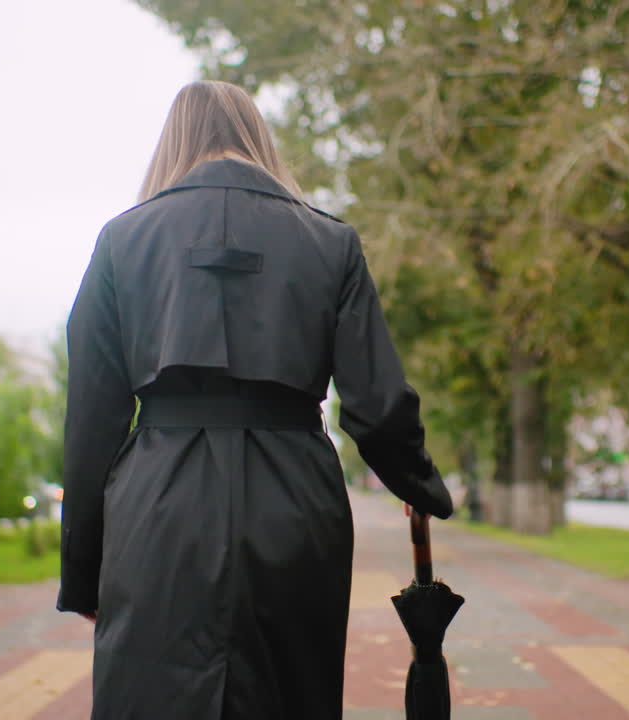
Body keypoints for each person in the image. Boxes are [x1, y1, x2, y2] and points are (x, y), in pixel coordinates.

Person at [57, 80, 454, 720]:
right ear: (258, 138)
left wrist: (83, 574)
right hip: (295, 502)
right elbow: (376, 406)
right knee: (290, 693)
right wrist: (420, 483)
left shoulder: (122, 240)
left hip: (158, 506)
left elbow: (92, 421)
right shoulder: (330, 242)